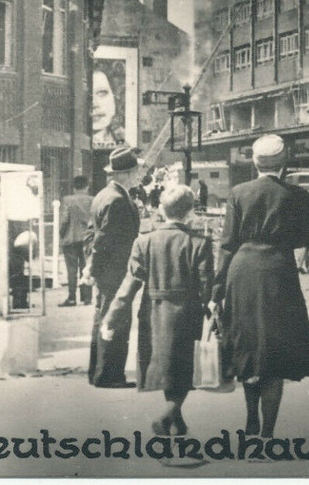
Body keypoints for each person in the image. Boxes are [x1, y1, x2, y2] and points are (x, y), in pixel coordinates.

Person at [211, 134, 309, 440]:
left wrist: (215, 292)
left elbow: (226, 246)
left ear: (255, 162)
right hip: (277, 274)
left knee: (248, 349)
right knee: (273, 355)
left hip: (241, 274)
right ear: (284, 161)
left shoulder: (238, 193)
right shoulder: (296, 196)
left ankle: (250, 422)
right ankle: (267, 434)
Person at [100, 185, 213, 437]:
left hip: (153, 312)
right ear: (191, 212)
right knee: (183, 369)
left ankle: (177, 420)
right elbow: (207, 286)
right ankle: (166, 416)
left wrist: (110, 318)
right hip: (186, 313)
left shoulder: (144, 241)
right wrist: (214, 311)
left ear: (161, 210)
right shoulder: (199, 243)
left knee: (165, 365)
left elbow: (129, 286)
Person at [86, 147, 143, 388]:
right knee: (115, 319)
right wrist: (94, 267)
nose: (139, 174)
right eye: (136, 171)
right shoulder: (118, 200)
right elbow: (104, 240)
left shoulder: (104, 195)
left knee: (102, 318)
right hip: (115, 270)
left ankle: (98, 371)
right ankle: (109, 375)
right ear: (127, 174)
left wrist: (91, 267)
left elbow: (93, 236)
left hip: (106, 270)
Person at [59, 175, 94, 307]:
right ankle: (87, 298)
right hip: (87, 240)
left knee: (71, 270)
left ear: (74, 187)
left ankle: (72, 298)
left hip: (71, 238)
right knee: (86, 268)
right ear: (87, 187)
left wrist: (62, 234)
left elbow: (64, 220)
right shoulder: (92, 200)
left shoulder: (67, 200)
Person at [91, 64, 127, 149]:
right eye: (84, 95)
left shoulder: (123, 141)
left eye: (102, 93)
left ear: (114, 97)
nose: (94, 104)